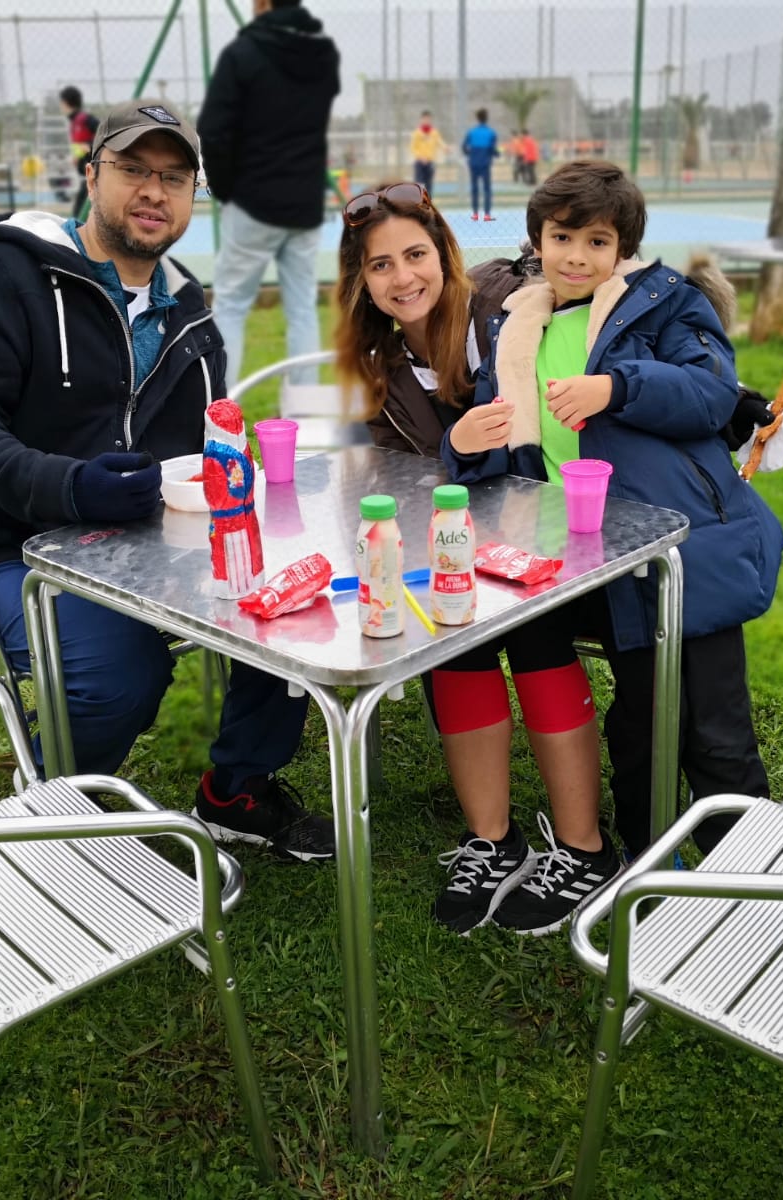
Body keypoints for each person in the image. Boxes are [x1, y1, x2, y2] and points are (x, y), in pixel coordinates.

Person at [0, 98, 334, 863]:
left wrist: (225, 475)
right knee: (117, 674)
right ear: (91, 175)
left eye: (174, 178)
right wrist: (72, 486)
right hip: (6, 552)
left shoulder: (189, 311)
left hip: (142, 548)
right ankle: (51, 809)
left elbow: (199, 447)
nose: (153, 191)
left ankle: (236, 789)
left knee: (286, 601)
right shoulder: (3, 275)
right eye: (134, 168)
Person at [442, 160, 783, 864]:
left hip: (687, 553)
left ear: (622, 247)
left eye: (597, 241)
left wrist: (616, 387)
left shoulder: (663, 303)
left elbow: (711, 393)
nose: (576, 256)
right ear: (537, 240)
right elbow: (497, 445)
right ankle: (649, 859)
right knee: (643, 724)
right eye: (562, 238)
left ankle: (748, 867)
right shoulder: (517, 329)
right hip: (589, 564)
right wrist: (463, 446)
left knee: (717, 730)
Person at [334, 181, 613, 935]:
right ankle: (493, 839)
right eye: (381, 265)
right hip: (460, 547)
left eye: (415, 255)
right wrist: (448, 452)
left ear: (444, 254)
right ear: (362, 280)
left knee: (530, 626)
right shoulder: (378, 361)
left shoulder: (505, 309)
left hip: (567, 533)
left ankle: (585, 848)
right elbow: (392, 478)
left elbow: (606, 307)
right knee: (451, 626)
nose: (403, 278)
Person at [198, 0, 339, 387]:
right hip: (305, 201)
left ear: (262, 3)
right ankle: (304, 407)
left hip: (252, 201)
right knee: (302, 309)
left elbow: (213, 131)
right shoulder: (323, 54)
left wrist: (226, 189)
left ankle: (221, 406)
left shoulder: (242, 54)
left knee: (230, 305)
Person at [58, 86, 100, 219]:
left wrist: (88, 146)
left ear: (65, 102)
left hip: (94, 172)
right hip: (85, 175)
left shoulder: (85, 119)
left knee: (79, 212)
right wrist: (76, 156)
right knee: (81, 210)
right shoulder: (74, 121)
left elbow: (104, 135)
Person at [462, 108, 500, 221]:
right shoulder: (491, 133)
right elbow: (492, 149)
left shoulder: (471, 132)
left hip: (473, 163)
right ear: (486, 118)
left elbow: (464, 147)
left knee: (474, 188)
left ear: (477, 118)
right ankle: (487, 215)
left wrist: (471, 154)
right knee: (487, 188)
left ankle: (475, 214)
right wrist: (497, 154)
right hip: (485, 163)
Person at [410, 110, 445, 194]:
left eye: (428, 119)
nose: (427, 121)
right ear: (421, 120)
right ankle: (419, 201)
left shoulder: (434, 132)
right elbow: (413, 148)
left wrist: (445, 148)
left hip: (430, 162)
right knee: (419, 184)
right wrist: (420, 157)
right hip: (420, 162)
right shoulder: (417, 133)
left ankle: (428, 201)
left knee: (429, 185)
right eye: (425, 119)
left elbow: (439, 142)